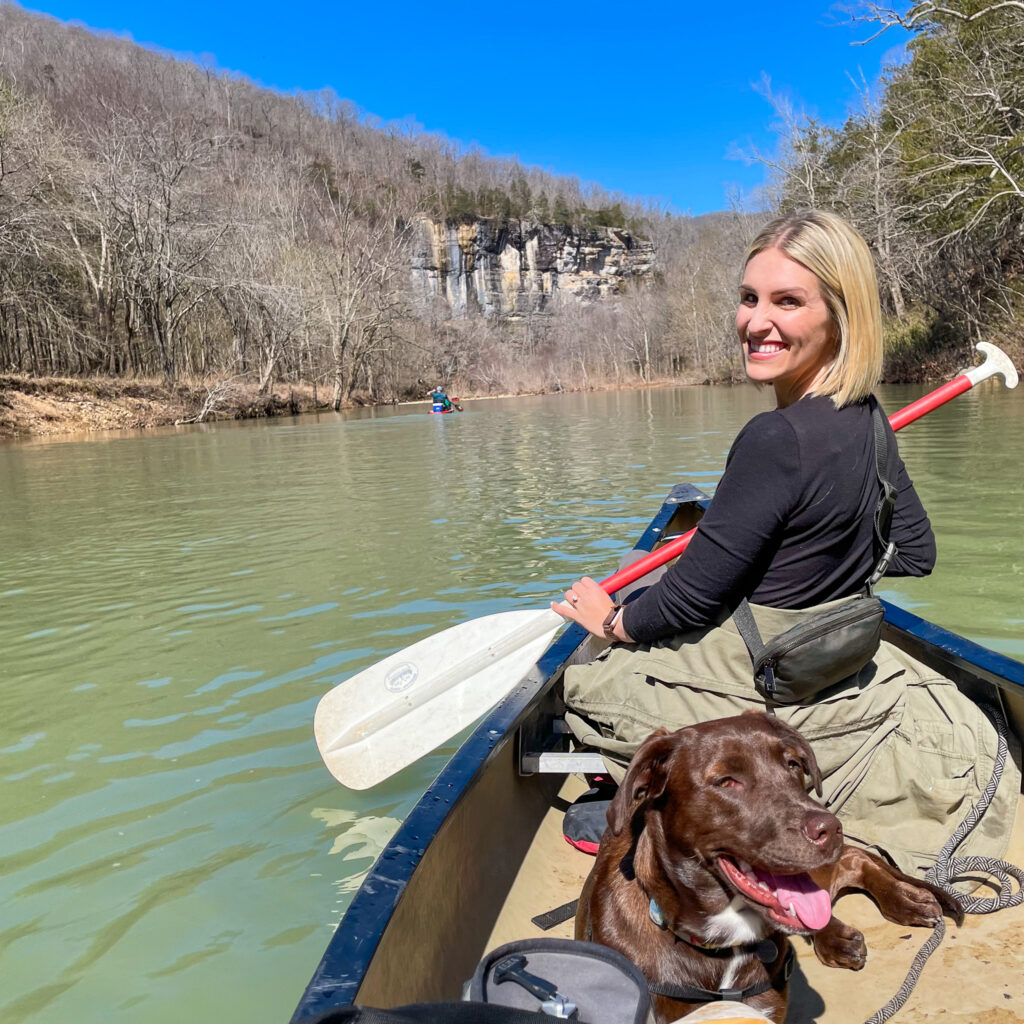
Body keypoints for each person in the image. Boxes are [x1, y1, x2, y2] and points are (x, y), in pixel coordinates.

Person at [552, 209, 1018, 876]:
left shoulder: (776, 439)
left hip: (768, 662)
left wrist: (613, 622)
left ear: (840, 315)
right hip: (835, 648)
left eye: (787, 302)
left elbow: (687, 602)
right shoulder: (869, 420)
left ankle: (653, 805)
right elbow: (916, 552)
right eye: (749, 298)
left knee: (586, 678)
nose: (755, 322)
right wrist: (816, 551)